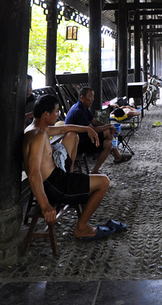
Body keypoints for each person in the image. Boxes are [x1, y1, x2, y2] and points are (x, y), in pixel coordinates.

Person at [23, 95, 127, 240]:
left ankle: (80, 200)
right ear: (46, 114)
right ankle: (82, 228)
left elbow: (63, 129)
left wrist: (86, 129)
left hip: (57, 179)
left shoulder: (35, 129)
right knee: (104, 182)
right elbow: (34, 173)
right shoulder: (38, 136)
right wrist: (45, 206)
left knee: (72, 136)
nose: (58, 114)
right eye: (56, 111)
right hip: (56, 186)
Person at [64, 87, 132, 172]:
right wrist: (109, 127)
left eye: (93, 96)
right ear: (82, 97)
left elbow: (94, 121)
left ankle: (95, 170)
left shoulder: (83, 107)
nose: (92, 99)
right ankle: (117, 156)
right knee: (107, 133)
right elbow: (93, 129)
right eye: (90, 96)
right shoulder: (78, 111)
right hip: (77, 143)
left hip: (85, 137)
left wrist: (108, 126)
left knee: (108, 143)